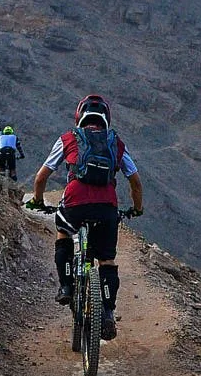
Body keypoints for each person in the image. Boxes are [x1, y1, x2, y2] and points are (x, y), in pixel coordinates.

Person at [29, 94, 143, 342]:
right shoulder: (116, 143)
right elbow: (135, 182)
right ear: (106, 119)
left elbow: (41, 178)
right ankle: (109, 312)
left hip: (74, 205)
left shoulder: (68, 138)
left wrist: (38, 201)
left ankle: (67, 286)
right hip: (106, 209)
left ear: (80, 117)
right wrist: (137, 208)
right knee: (107, 261)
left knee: (63, 232)